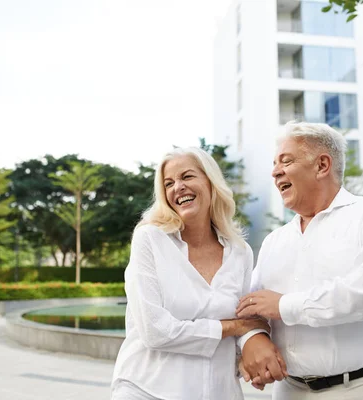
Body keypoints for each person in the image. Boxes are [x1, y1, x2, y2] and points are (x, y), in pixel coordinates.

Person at [235, 121, 363, 399]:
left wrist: (285, 305)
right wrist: (252, 340)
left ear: (322, 165)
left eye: (286, 161)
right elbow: (248, 306)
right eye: (274, 163)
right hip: (289, 390)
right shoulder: (275, 241)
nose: (275, 172)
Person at [111, 147, 279, 400]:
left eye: (187, 177)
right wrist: (233, 327)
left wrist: (247, 356)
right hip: (147, 390)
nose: (177, 187)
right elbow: (155, 331)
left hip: (218, 392)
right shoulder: (150, 239)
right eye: (169, 183)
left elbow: (243, 321)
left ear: (211, 183)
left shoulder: (240, 252)